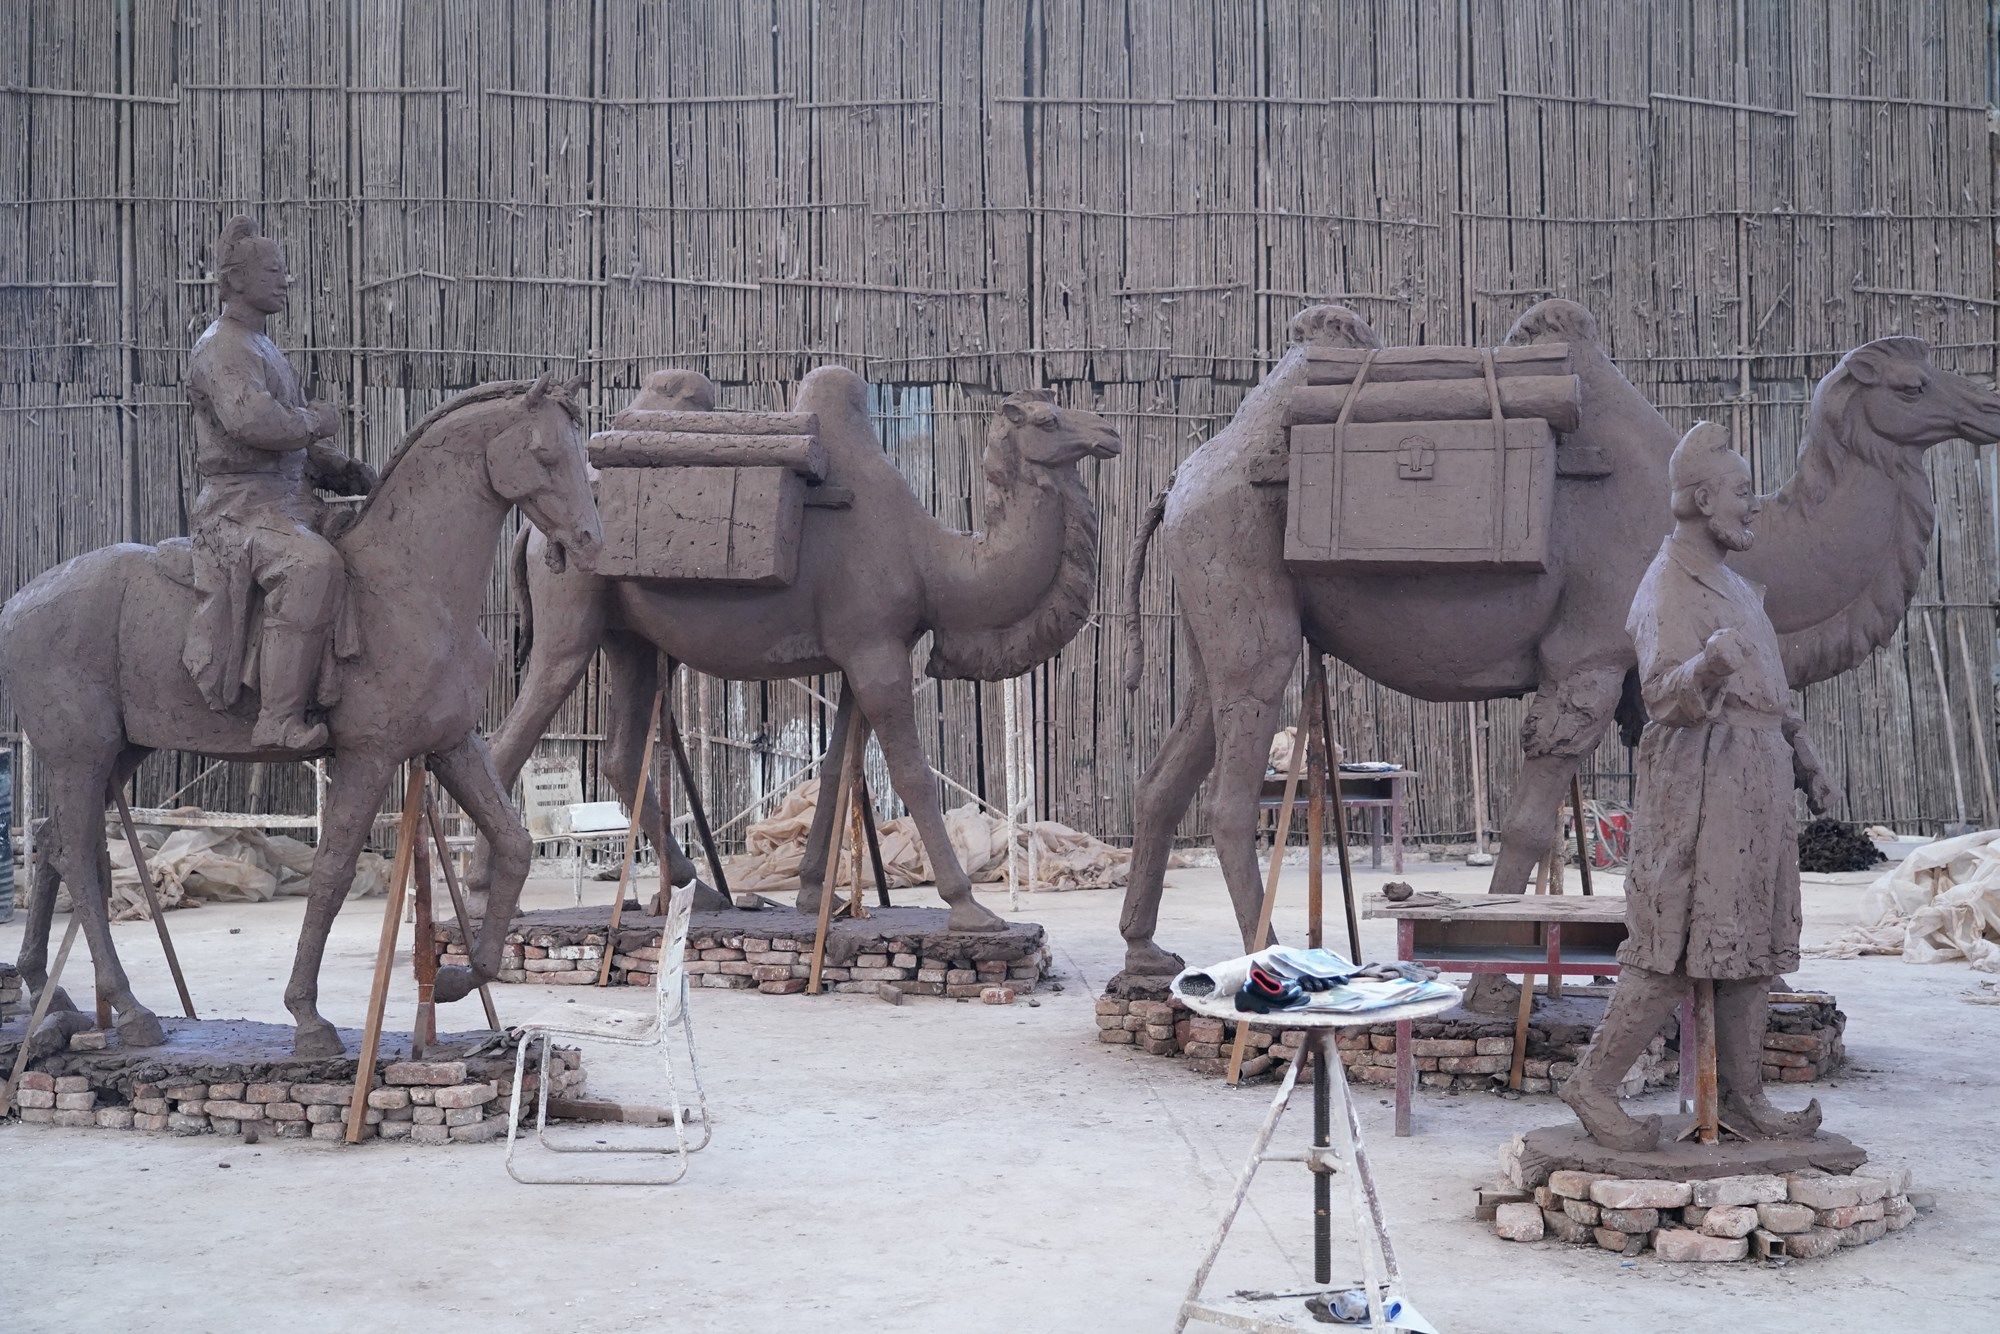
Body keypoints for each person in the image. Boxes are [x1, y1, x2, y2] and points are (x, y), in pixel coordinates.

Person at [1558, 421, 1833, 1152]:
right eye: (1743, 492)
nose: (1754, 504)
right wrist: (1707, 665)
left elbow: (1769, 687)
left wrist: (1804, 753)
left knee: (1749, 942)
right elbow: (1660, 697)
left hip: (1755, 774)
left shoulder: (1738, 586)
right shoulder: (1667, 585)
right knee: (1671, 942)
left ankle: (1746, 1098)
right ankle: (1593, 1086)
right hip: (1701, 778)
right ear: (1703, 500)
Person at [182, 216, 375, 750]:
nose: (283, 281)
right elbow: (254, 423)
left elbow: (290, 441)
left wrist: (340, 467)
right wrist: (317, 421)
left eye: (283, 272)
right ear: (236, 279)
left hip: (288, 501)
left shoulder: (263, 347)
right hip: (240, 507)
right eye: (271, 272)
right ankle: (278, 717)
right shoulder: (222, 347)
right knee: (312, 565)